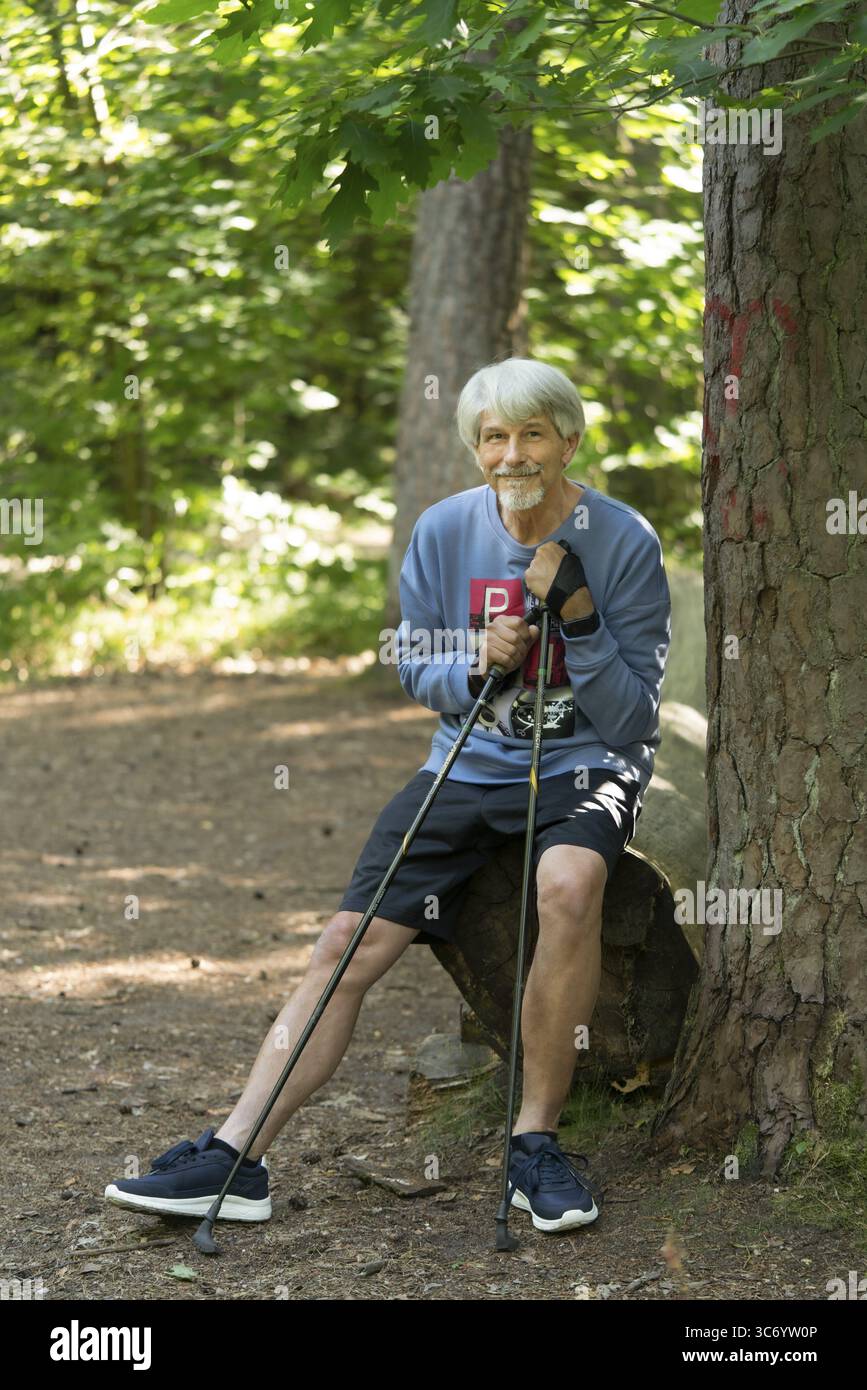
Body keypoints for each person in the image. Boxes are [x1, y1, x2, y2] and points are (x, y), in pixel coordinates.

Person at [104, 357, 671, 1234]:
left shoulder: (624, 538)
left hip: (582, 769)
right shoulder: (443, 532)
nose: (511, 454)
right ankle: (235, 1158)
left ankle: (534, 1146)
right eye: (492, 437)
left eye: (530, 435)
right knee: (343, 945)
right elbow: (414, 665)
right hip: (467, 762)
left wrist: (584, 620)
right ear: (475, 447)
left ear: (568, 440)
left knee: (568, 888)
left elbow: (633, 721)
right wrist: (475, 662)